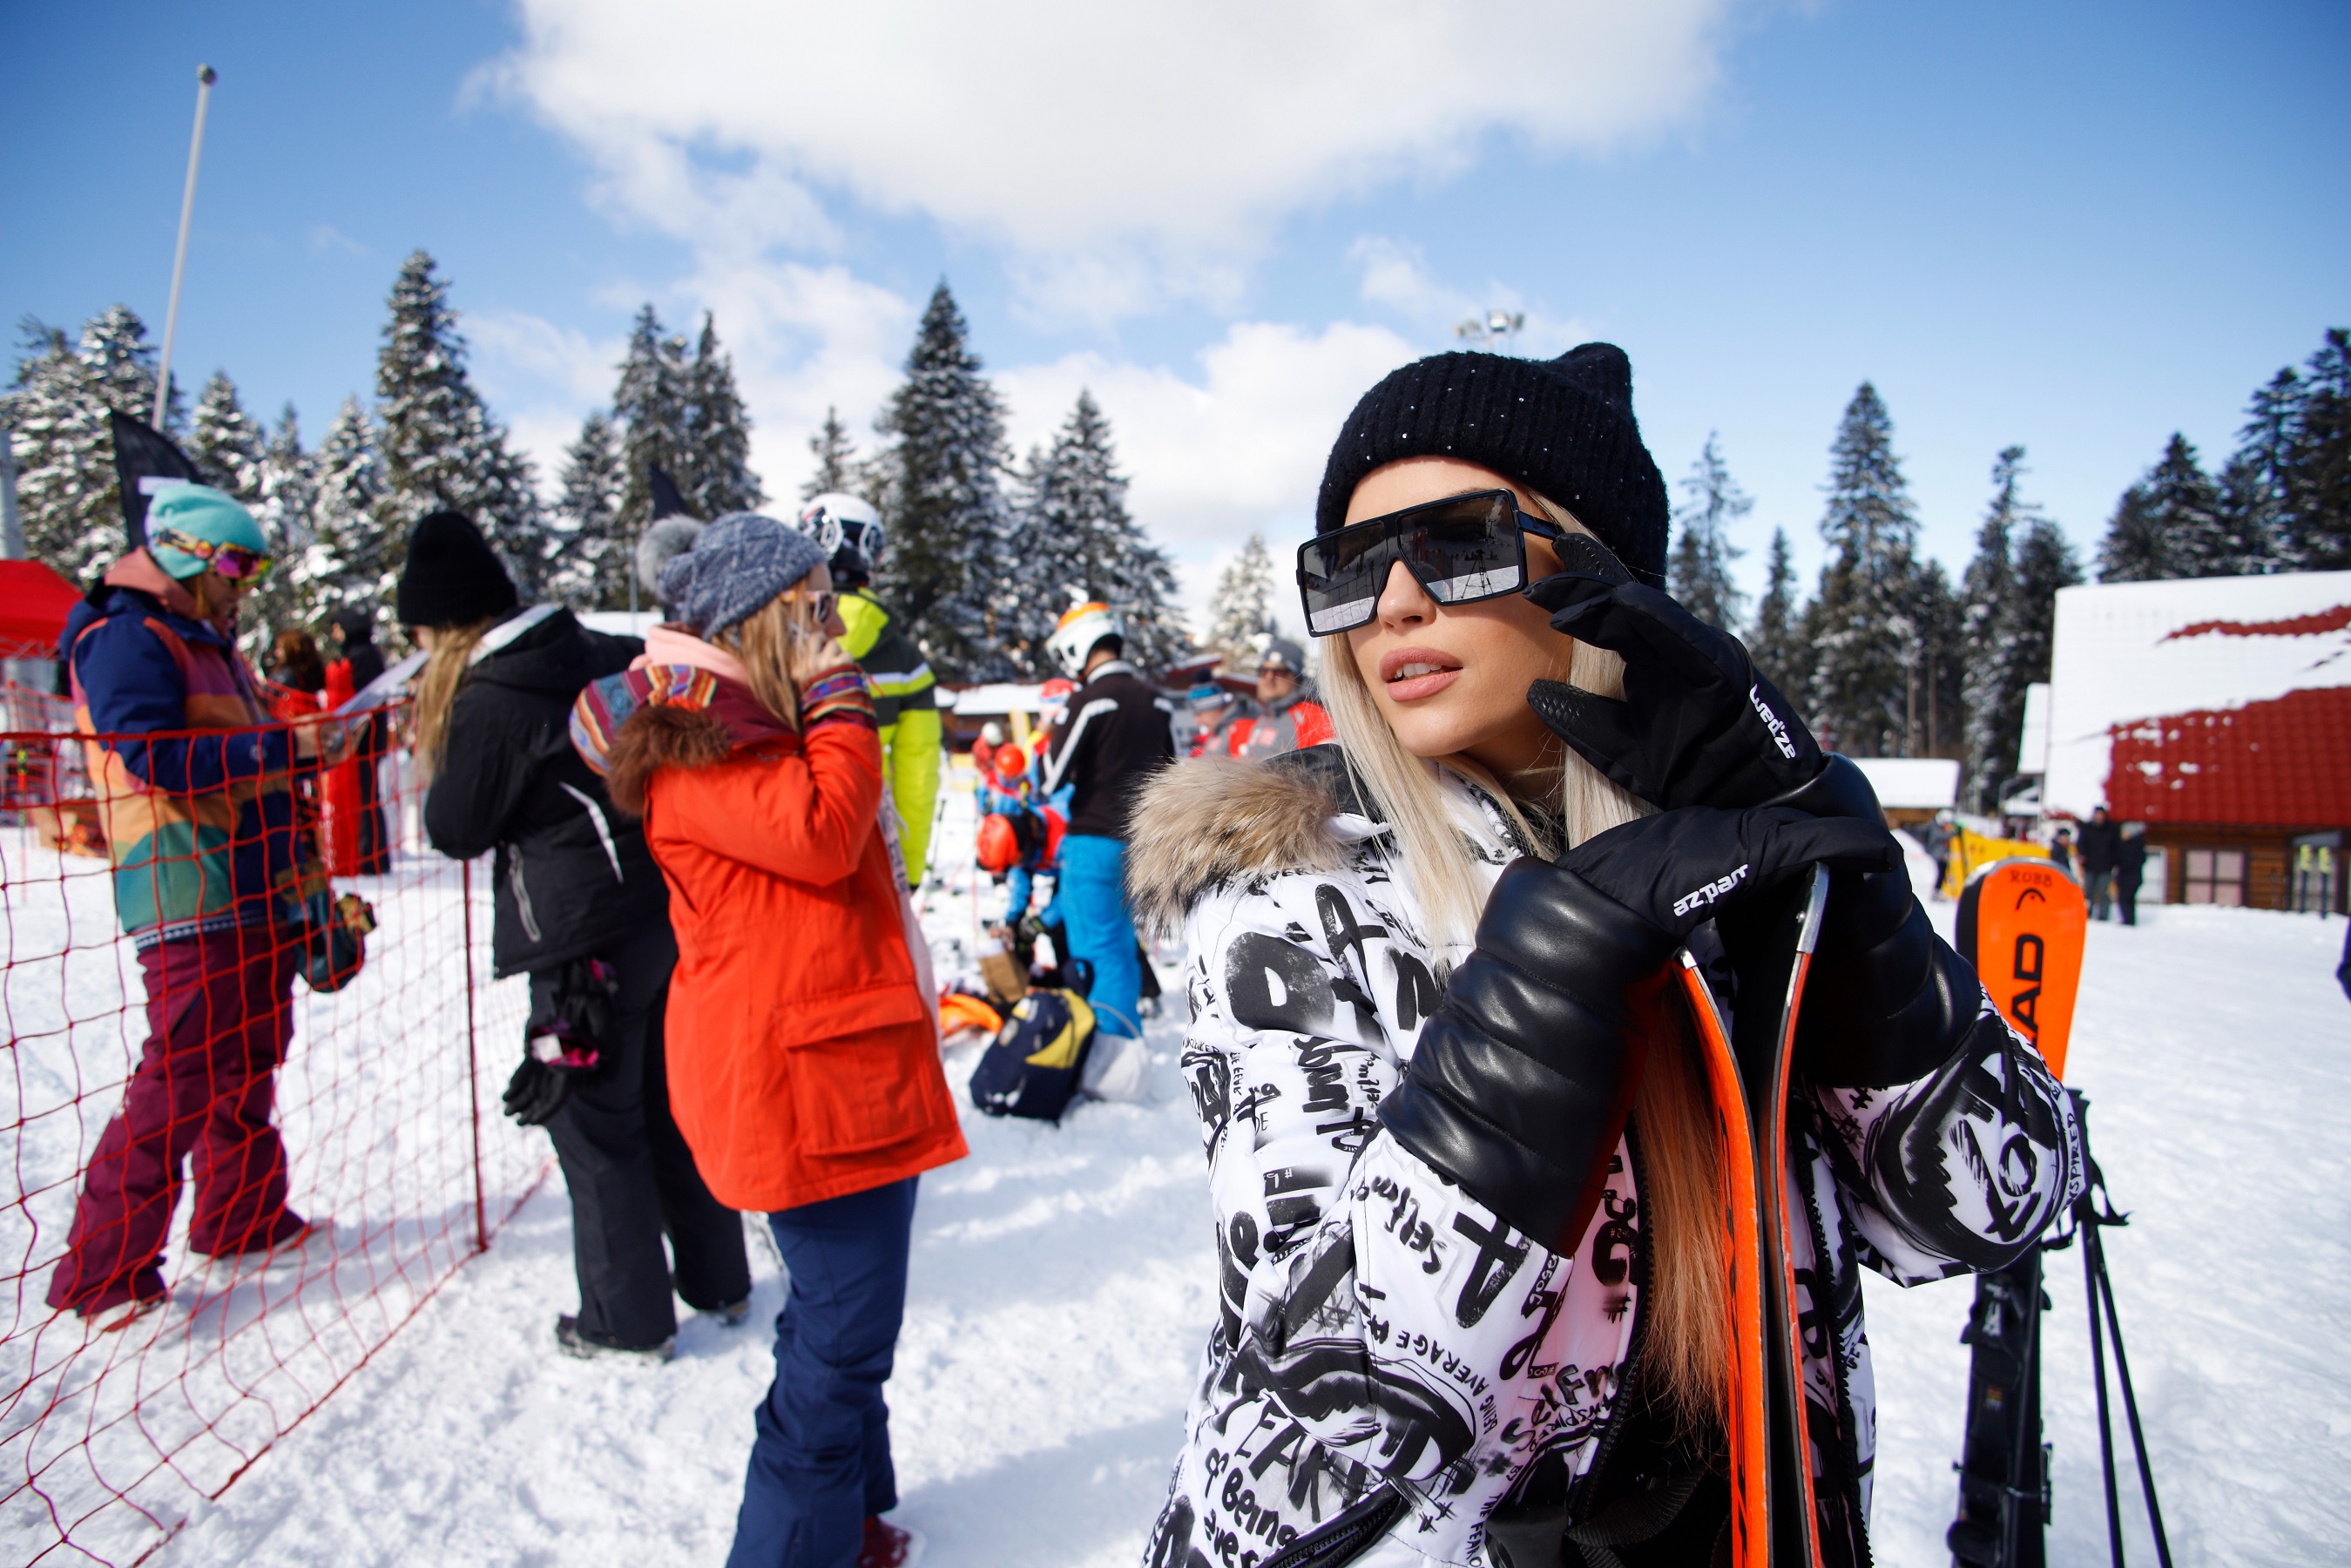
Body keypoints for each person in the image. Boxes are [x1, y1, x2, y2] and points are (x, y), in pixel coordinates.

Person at [1126, 344, 2083, 1565]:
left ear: (1599, 578)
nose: (1396, 604)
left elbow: (1994, 1211)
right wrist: (1540, 1000)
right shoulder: (1288, 894)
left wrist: (1858, 916)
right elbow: (1320, 1431)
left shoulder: (1737, 850)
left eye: (1458, 540)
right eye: (1349, 570)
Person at [569, 512, 966, 1568]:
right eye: (817, 610)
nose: (837, 628)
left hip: (840, 1069)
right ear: (762, 623)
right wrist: (843, 695)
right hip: (806, 1091)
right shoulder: (700, 751)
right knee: (838, 1342)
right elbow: (827, 831)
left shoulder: (748, 734)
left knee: (840, 1329)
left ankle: (847, 1520)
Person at [402, 510, 747, 1362]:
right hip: (662, 910)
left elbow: (454, 825)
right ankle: (719, 1279)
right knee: (669, 1104)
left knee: (593, 1125)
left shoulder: (489, 696)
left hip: (577, 941)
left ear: (445, 628)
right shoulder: (598, 648)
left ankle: (623, 1322)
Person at [44, 484, 348, 1329]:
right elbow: (148, 753)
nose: (247, 582)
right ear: (184, 555)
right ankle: (104, 1277)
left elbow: (246, 752)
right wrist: (279, 745)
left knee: (248, 1055)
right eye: (236, 563)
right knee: (180, 1074)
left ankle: (242, 1217)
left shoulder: (208, 642)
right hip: (186, 879)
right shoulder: (125, 638)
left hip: (252, 882)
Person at [1038, 601, 1177, 1092]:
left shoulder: (1088, 701)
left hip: (1092, 843)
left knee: (1095, 953)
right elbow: (1172, 774)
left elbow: (1050, 777)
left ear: (1079, 645)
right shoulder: (1158, 701)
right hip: (1140, 847)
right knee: (1119, 947)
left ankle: (1108, 1067)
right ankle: (1120, 1055)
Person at [798, 494, 942, 889]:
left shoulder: (771, 639)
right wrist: (909, 870)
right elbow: (917, 774)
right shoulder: (907, 661)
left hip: (788, 841)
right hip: (872, 845)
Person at [1227, 634, 1333, 760]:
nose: (1269, 677)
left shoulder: (1311, 715)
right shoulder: (1263, 717)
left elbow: (1331, 770)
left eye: (1279, 672)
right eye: (1263, 671)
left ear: (1296, 677)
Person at [1185, 680, 1255, 760]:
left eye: (1199, 714)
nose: (1198, 721)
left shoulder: (1240, 729)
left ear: (1215, 709)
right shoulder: (1220, 732)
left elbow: (1245, 768)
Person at [2077, 805, 2121, 919]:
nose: (2099, 817)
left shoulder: (2111, 829)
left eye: (2101, 814)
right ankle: (2086, 913)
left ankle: (2103, 915)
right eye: (2097, 814)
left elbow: (2117, 847)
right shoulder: (2087, 828)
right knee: (2088, 893)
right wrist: (2082, 857)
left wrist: (2114, 862)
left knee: (2104, 893)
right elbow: (2081, 845)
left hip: (2106, 867)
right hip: (2089, 866)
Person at [2115, 821, 2149, 926]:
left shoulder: (2131, 845)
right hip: (2133, 877)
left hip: (2129, 878)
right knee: (2129, 899)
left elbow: (2128, 862)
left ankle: (2128, 920)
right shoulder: (2138, 844)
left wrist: (2120, 865)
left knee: (2125, 899)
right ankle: (2129, 919)